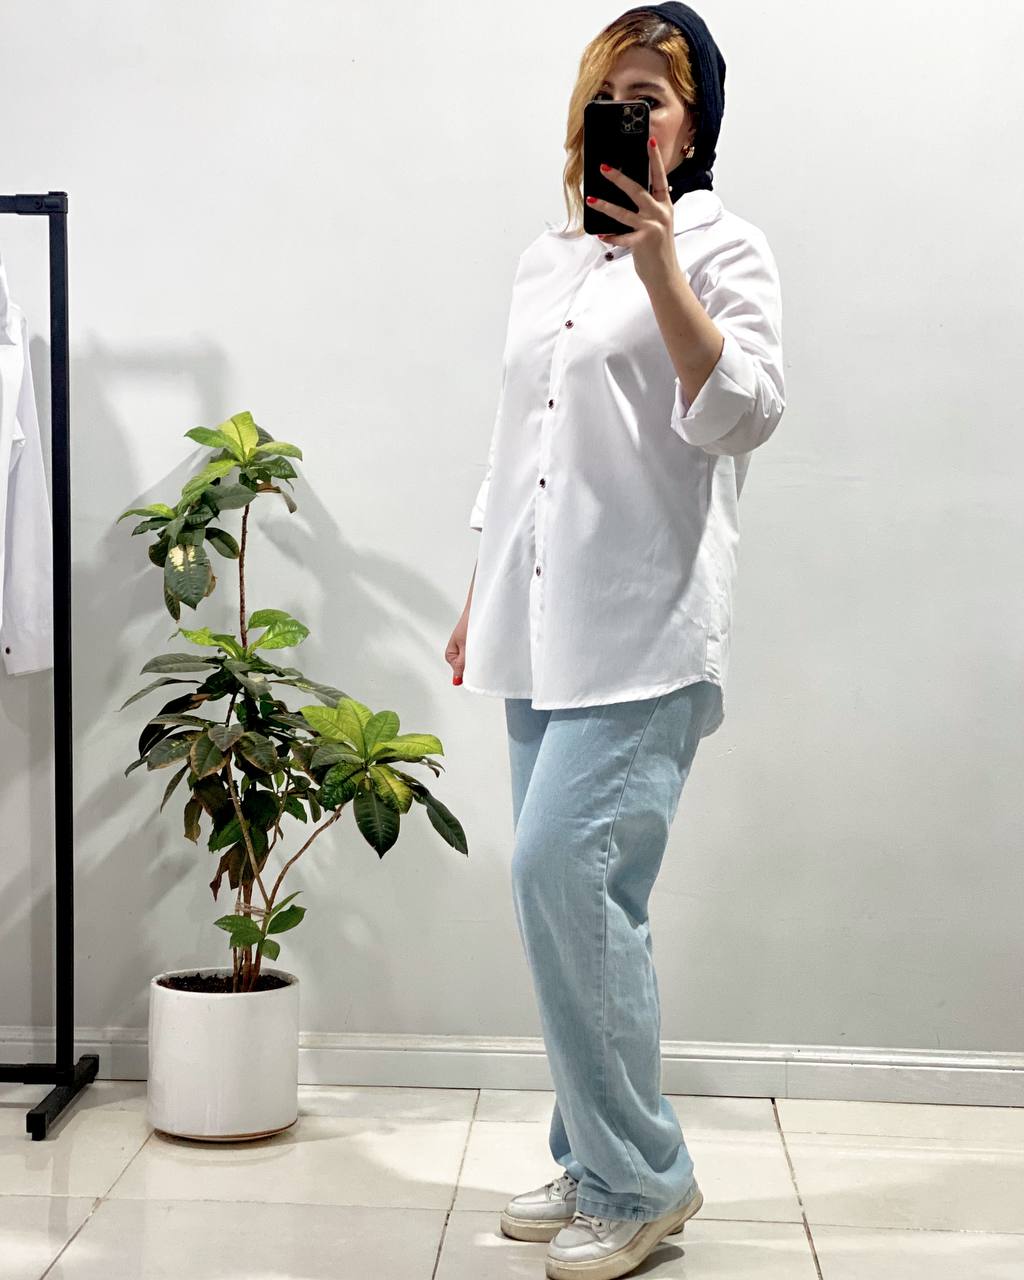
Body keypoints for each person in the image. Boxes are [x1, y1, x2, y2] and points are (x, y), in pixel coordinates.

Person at [445, 5, 785, 1277]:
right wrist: (477, 589)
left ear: (693, 125)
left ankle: (642, 1179)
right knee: (574, 903)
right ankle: (594, 1155)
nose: (629, 115)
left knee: (561, 876)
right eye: (611, 96)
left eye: (652, 98)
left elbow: (743, 415)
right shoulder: (544, 260)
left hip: (643, 627)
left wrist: (659, 268)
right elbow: (517, 445)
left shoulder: (724, 246)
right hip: (540, 620)